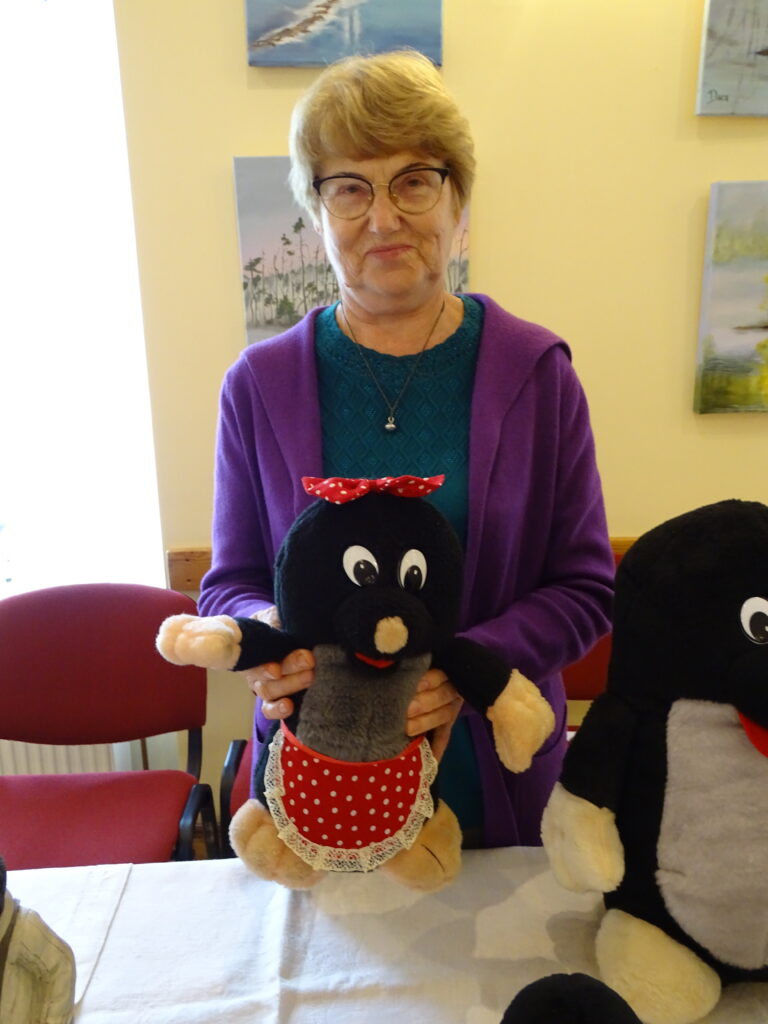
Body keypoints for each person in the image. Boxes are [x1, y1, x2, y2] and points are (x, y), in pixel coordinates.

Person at [198, 49, 614, 848]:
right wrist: (266, 640)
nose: (383, 218)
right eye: (349, 188)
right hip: (315, 778)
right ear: (317, 212)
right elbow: (229, 584)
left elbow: (586, 587)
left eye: (414, 181)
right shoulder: (258, 384)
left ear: (458, 201)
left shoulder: (537, 374)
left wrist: (467, 667)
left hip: (494, 780)